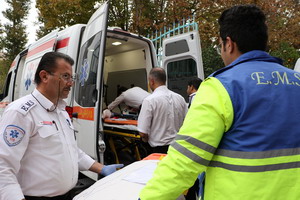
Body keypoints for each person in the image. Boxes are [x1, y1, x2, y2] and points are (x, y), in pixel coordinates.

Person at [139, 5, 300, 200]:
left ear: (229, 44)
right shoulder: (296, 81)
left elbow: (184, 162)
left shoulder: (221, 87)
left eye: (220, 46)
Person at [0, 52, 123, 200]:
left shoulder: (61, 111)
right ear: (44, 76)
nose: (71, 83)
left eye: (72, 77)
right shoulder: (20, 112)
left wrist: (101, 168)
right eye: (65, 76)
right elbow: (3, 168)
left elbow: (71, 151)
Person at [138, 68, 187, 154]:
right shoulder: (180, 98)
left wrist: (145, 139)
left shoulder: (149, 100)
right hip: (178, 147)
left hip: (158, 150)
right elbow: (187, 121)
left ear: (152, 81)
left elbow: (142, 132)